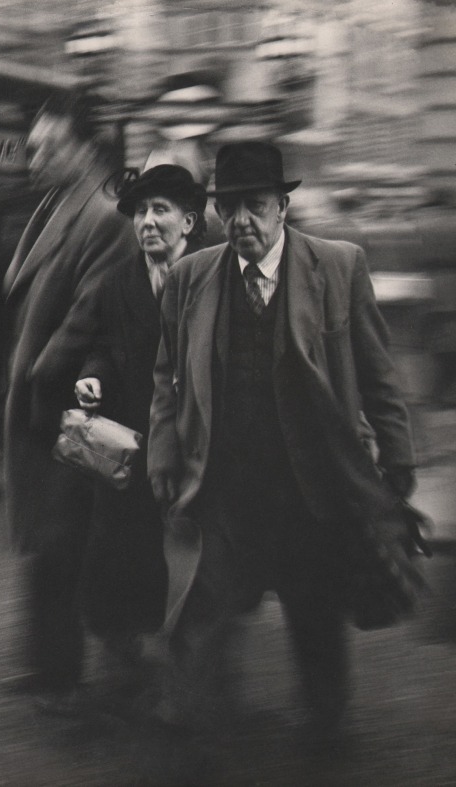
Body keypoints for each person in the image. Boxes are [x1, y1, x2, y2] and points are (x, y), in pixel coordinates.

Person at [147, 141, 417, 745]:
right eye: (230, 206)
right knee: (202, 613)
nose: (241, 220)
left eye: (256, 206)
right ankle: (186, 736)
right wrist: (163, 449)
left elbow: (377, 374)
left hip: (310, 492)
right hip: (225, 489)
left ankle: (327, 725)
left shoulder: (339, 267)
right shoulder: (191, 278)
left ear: (283, 207)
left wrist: (396, 461)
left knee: (314, 617)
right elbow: (165, 376)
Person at [1, 91, 146, 713]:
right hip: (50, 409)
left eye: (47, 146)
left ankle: (99, 669)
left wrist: (40, 370)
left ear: (87, 149)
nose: (33, 157)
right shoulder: (60, 204)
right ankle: (53, 665)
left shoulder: (108, 214)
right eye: (32, 146)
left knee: (76, 541)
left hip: (83, 412)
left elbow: (89, 316)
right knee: (54, 539)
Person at [70, 164, 210, 692]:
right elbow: (101, 347)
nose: (147, 223)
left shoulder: (214, 279)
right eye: (140, 212)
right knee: (115, 553)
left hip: (190, 446)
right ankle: (122, 664)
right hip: (125, 440)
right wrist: (91, 379)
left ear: (189, 221)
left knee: (186, 559)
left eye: (161, 210)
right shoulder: (116, 283)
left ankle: (182, 671)